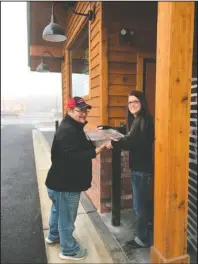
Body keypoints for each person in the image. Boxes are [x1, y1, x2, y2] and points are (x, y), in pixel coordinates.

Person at [45, 96, 106, 260]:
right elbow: (73, 156)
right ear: (69, 110)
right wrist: (98, 150)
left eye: (86, 110)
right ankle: (69, 250)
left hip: (57, 182)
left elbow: (76, 146)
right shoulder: (68, 130)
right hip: (66, 185)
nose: (84, 113)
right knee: (66, 218)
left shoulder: (74, 127)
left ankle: (53, 235)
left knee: (58, 211)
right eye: (80, 110)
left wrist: (95, 138)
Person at [106, 90, 154, 248]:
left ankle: (142, 239)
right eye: (130, 102)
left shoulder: (144, 120)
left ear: (142, 103)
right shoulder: (138, 120)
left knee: (139, 206)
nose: (132, 105)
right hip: (140, 168)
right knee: (141, 204)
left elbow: (131, 142)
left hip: (141, 169)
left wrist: (113, 144)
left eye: (136, 101)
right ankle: (146, 231)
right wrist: (109, 129)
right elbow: (129, 137)